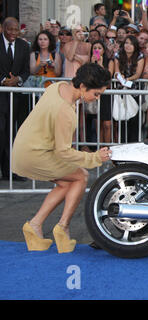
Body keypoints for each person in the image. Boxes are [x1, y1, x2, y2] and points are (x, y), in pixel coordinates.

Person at [11, 63, 112, 253]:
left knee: (67, 183)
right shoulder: (66, 112)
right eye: (96, 94)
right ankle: (63, 227)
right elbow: (63, 152)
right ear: (83, 87)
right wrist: (95, 158)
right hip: (34, 154)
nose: (96, 99)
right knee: (81, 177)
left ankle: (35, 225)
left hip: (25, 148)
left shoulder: (58, 86)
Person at [0, 17, 30, 181]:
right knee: (1, 132)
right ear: (3, 28)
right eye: (10, 29)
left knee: (12, 133)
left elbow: (26, 70)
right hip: (0, 95)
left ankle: (10, 170)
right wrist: (3, 81)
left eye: (15, 30)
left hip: (15, 97)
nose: (12, 33)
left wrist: (17, 79)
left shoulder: (24, 46)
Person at [114, 35, 145, 143]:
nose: (128, 46)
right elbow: (116, 72)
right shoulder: (118, 55)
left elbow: (138, 74)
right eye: (126, 43)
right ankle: (123, 143)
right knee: (122, 118)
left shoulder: (140, 56)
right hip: (121, 90)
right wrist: (120, 76)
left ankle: (134, 143)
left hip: (134, 90)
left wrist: (127, 79)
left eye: (131, 44)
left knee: (135, 118)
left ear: (135, 46)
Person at [89, 40, 114, 144]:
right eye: (95, 48)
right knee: (98, 123)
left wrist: (100, 64)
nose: (97, 50)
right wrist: (92, 63)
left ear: (104, 50)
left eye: (99, 48)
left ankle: (107, 147)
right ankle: (100, 148)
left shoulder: (110, 62)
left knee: (107, 124)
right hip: (94, 94)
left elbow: (108, 76)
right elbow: (88, 77)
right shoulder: (91, 62)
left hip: (106, 94)